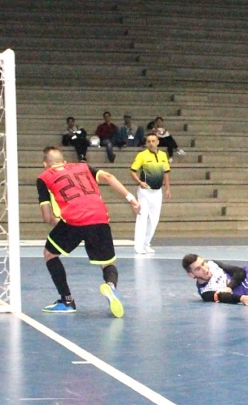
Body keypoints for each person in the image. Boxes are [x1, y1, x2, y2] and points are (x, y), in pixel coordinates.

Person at [37, 147, 140, 316]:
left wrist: (58, 221)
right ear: (64, 161)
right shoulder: (83, 166)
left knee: (50, 254)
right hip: (99, 217)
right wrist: (131, 199)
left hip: (74, 220)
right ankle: (111, 286)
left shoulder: (44, 178)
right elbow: (108, 176)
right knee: (107, 263)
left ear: (45, 164)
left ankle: (67, 300)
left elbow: (47, 217)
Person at [129, 132, 171, 254]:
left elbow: (166, 172)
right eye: (149, 141)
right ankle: (138, 246)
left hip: (157, 192)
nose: (151, 143)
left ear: (158, 142)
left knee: (154, 219)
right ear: (146, 143)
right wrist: (140, 182)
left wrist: (167, 188)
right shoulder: (142, 155)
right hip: (144, 192)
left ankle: (146, 243)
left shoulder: (163, 155)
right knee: (142, 217)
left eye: (153, 141)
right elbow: (132, 171)